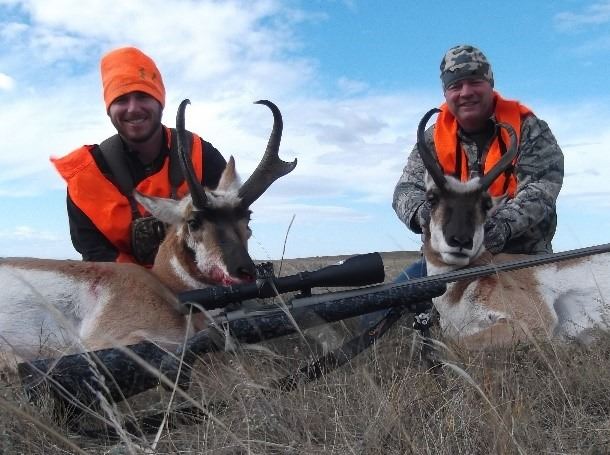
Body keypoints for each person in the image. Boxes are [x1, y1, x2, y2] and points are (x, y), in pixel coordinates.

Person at [361, 44, 564, 330]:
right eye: (455, 85)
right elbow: (405, 190)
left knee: (517, 327)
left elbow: (542, 190)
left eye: (475, 81)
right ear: (446, 93)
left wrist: (500, 226)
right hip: (448, 260)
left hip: (520, 260)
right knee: (375, 316)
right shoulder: (432, 139)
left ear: (490, 84)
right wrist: (428, 215)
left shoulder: (530, 130)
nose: (466, 92)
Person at [52, 46, 227, 266]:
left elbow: (229, 230)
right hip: (124, 283)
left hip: (202, 276)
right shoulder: (86, 177)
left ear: (159, 102)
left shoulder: (201, 156)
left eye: (143, 96)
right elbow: (96, 255)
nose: (133, 108)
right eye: (121, 100)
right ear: (109, 109)